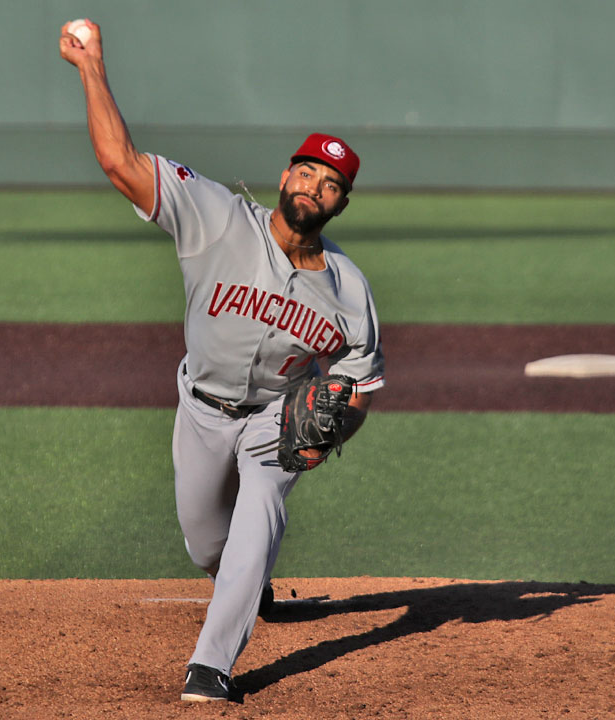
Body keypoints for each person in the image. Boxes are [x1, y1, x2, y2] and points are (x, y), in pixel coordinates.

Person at [59, 19, 385, 703]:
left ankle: (210, 667)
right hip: (201, 409)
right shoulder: (216, 216)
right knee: (207, 544)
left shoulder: (349, 290)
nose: (313, 185)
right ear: (284, 175)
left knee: (262, 505)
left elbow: (361, 381)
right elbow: (121, 164)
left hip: (275, 419)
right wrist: (91, 67)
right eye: (306, 169)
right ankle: (246, 582)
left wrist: (336, 434)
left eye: (330, 182)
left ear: (341, 203)